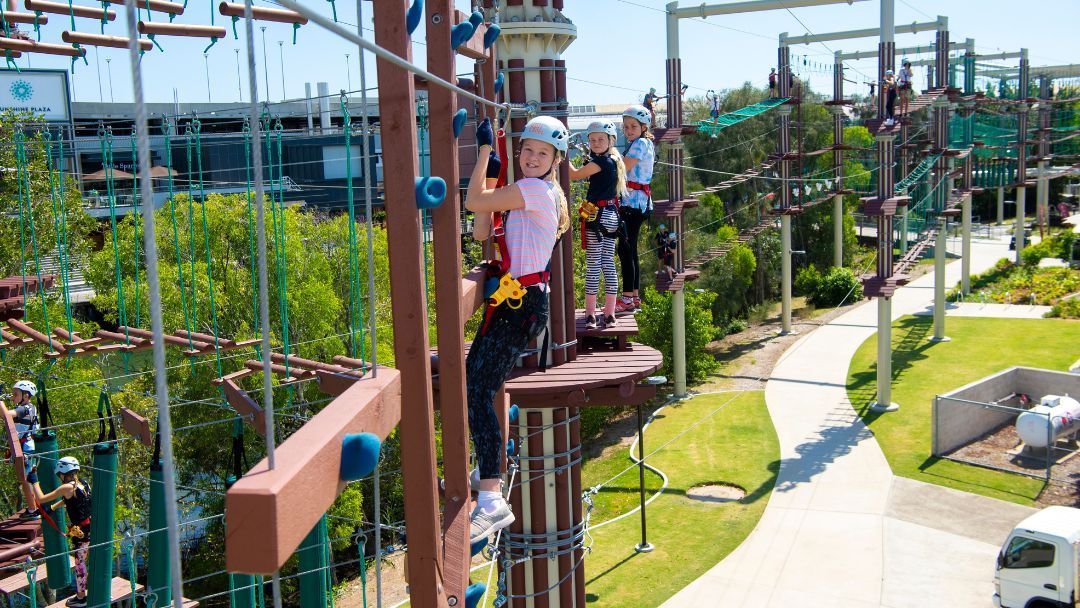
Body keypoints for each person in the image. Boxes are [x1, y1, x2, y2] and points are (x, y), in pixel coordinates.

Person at [465, 115, 570, 543]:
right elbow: (478, 229)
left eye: (541, 153)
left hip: (519, 304)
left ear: (554, 161)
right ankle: (487, 462)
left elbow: (473, 202)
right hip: (518, 301)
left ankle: (490, 498)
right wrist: (492, 177)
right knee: (478, 381)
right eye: (527, 150)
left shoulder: (533, 190)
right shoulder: (530, 193)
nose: (531, 158)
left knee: (476, 387)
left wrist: (485, 153)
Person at [570, 120, 627, 329]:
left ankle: (591, 314)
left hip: (597, 217)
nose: (595, 143)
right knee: (608, 264)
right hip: (612, 216)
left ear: (610, 140)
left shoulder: (601, 162)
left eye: (600, 139)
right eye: (592, 139)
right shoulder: (613, 160)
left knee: (594, 264)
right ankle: (610, 314)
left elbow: (573, 175)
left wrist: (561, 154)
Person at [32, 456, 91, 607]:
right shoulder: (82, 483)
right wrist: (52, 508)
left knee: (80, 564)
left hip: (82, 533)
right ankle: (84, 594)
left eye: (60, 475)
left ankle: (81, 597)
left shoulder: (66, 487)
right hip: (89, 528)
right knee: (84, 561)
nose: (59, 478)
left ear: (64, 473)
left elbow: (41, 498)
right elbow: (69, 500)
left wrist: (34, 481)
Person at [615, 105, 655, 314]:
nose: (629, 130)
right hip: (637, 202)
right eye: (626, 126)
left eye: (633, 126)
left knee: (625, 249)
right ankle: (634, 296)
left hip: (634, 203)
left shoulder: (639, 143)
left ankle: (628, 298)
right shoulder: (640, 143)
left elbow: (622, 168)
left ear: (643, 126)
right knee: (630, 250)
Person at [6, 380, 40, 520]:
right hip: (22, 447)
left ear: (26, 396)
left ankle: (33, 509)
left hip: (26, 448)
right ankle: (34, 506)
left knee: (27, 478)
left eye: (16, 394)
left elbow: (7, 415)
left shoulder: (27, 408)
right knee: (26, 478)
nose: (13, 397)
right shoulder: (26, 408)